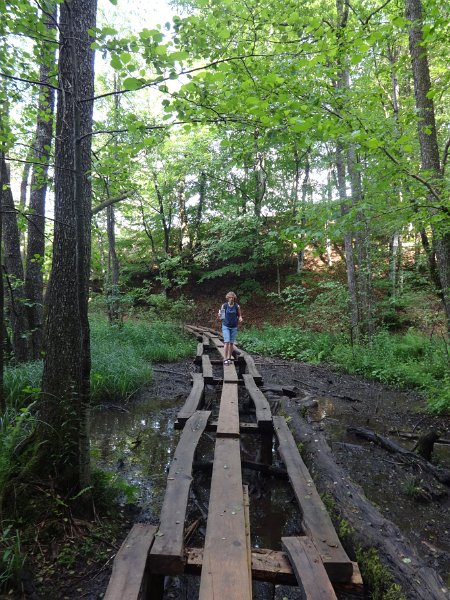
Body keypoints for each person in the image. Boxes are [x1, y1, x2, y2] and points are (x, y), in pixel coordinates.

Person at [218, 291, 243, 365]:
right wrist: (219, 315)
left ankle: (229, 358)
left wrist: (240, 318)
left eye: (232, 297)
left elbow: (239, 315)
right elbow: (221, 318)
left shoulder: (237, 306)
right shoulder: (224, 306)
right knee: (227, 341)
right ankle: (225, 358)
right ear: (227, 298)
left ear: (234, 298)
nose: (231, 299)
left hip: (234, 326)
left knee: (231, 343)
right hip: (225, 325)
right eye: (229, 297)